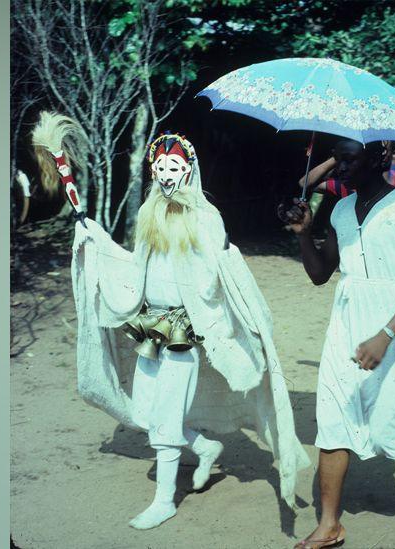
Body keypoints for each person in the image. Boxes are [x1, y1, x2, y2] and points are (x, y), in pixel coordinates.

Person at [33, 113, 310, 531]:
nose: (166, 175)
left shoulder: (205, 217)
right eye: (159, 168)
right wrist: (96, 241)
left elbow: (219, 275)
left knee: (163, 415)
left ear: (188, 170)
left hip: (185, 327)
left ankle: (164, 500)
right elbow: (136, 269)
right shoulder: (149, 214)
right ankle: (204, 446)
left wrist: (220, 269)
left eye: (173, 168)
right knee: (143, 409)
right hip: (151, 323)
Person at [283, 137, 395, 548]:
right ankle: (330, 525)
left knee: (390, 423)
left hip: (390, 324)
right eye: (337, 157)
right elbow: (321, 273)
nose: (339, 166)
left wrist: (384, 335)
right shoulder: (340, 209)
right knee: (334, 417)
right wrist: (304, 235)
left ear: (377, 158)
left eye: (349, 159)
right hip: (345, 324)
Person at [297, 141, 395, 198]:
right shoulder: (346, 188)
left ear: (373, 161)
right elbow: (304, 183)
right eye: (340, 161)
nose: (342, 168)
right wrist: (340, 155)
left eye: (350, 160)